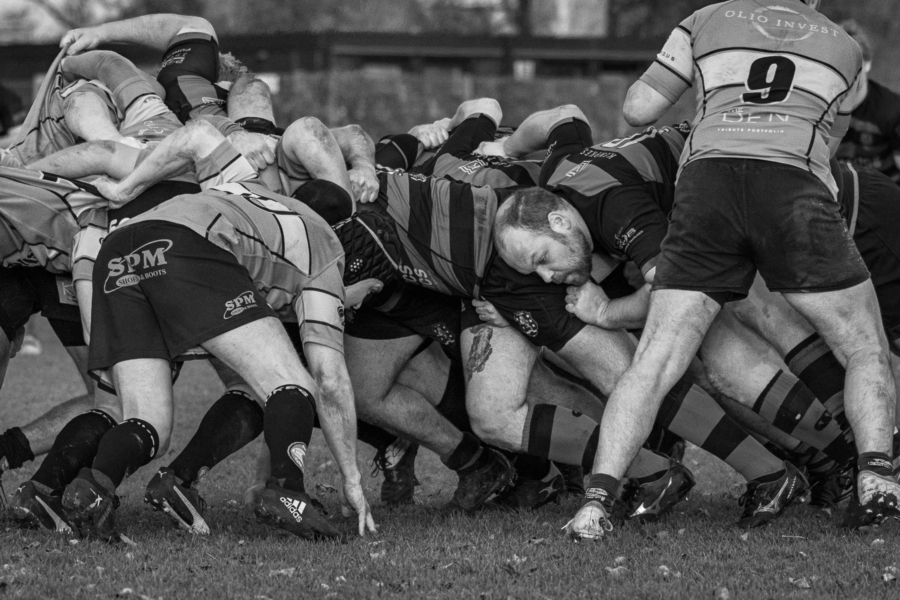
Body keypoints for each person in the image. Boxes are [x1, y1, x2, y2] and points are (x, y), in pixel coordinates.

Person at [553, 0, 897, 540]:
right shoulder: (844, 44)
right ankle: (877, 483)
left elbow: (639, 109)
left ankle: (596, 503)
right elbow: (830, 139)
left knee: (656, 360)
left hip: (709, 181)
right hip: (792, 186)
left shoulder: (707, 18)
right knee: (863, 345)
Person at [835, 20, 900, 184]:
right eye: (839, 63)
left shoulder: (892, 110)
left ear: (868, 63)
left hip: (883, 199)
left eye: (854, 62)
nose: (847, 71)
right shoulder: (817, 107)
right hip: (836, 200)